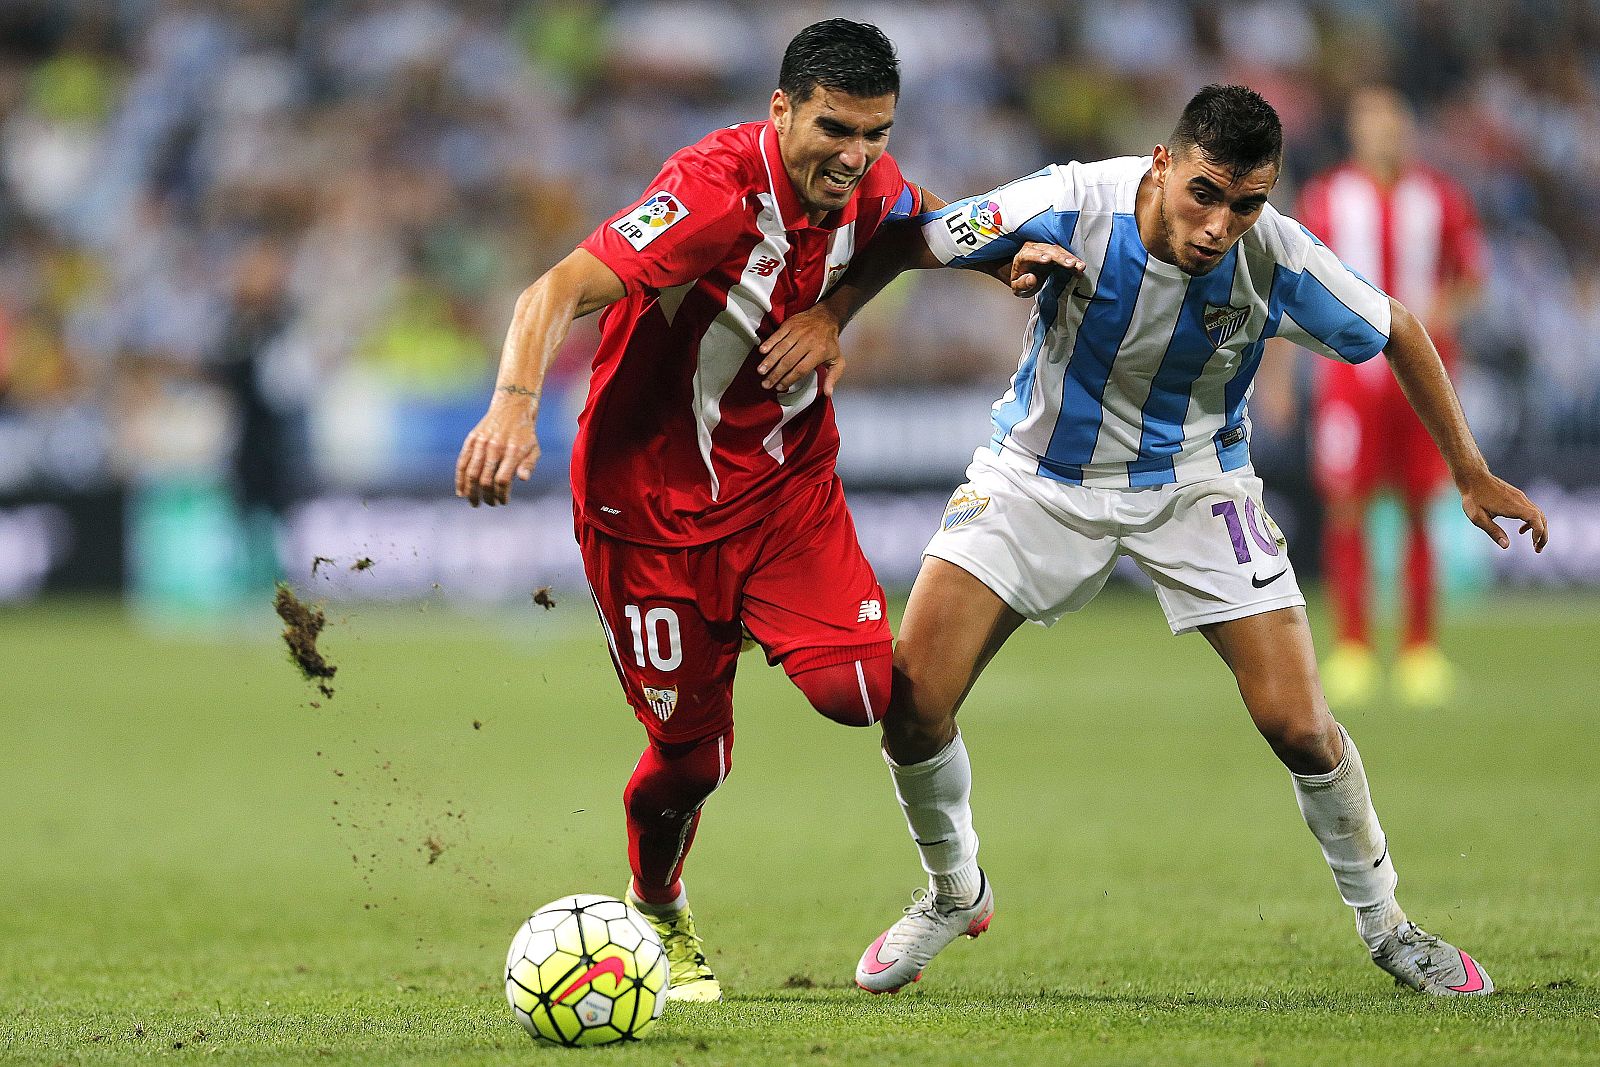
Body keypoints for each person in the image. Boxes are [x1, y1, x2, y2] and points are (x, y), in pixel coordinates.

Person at [756, 84, 1546, 997]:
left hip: (1196, 483)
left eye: (1246, 204)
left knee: (1298, 722)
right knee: (911, 701)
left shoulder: (1278, 256)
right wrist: (833, 315)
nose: (1220, 225)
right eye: (1205, 193)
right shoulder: (1073, 200)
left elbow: (1400, 328)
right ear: (1163, 164)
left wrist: (1470, 470)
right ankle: (951, 888)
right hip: (1039, 475)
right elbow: (917, 232)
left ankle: (1390, 926)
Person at [454, 20, 945, 1003]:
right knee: (689, 759)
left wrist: (839, 311)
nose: (854, 157)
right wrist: (513, 405)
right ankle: (658, 905)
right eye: (835, 129)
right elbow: (551, 290)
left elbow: (920, 228)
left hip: (782, 491)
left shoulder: (869, 185)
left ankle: (951, 873)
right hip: (644, 511)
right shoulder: (709, 196)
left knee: (858, 688)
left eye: (875, 134)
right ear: (781, 110)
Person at [1295, 86, 1487, 709]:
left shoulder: (1440, 198)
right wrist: (1274, 377)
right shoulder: (1326, 198)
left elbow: (1469, 279)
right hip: (1349, 383)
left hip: (1423, 381)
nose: (1385, 135)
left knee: (1418, 507)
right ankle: (1352, 645)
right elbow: (1288, 281)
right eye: (1373, 124)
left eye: (1394, 123)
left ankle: (1419, 649)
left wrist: (1438, 315)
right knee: (1347, 505)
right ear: (1356, 131)